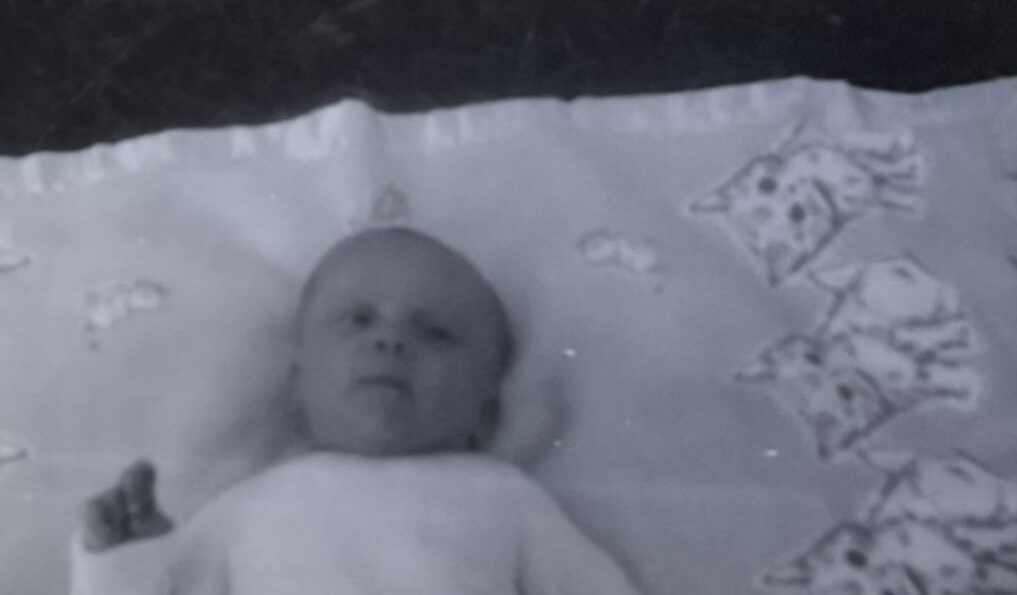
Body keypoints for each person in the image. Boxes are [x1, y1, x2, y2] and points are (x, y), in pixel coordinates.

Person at [70, 227, 641, 595]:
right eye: (357, 320)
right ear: (298, 388)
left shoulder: (503, 497)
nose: (391, 341)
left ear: (484, 415)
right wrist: (127, 562)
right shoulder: (251, 505)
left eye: (437, 333)